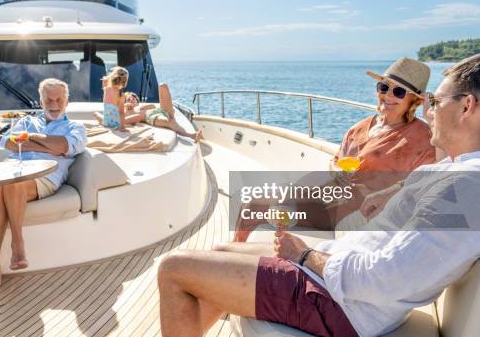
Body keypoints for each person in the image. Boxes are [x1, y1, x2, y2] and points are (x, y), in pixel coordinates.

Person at [157, 54, 480, 337]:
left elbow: (385, 279)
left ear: (467, 106)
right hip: (340, 270)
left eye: (435, 103)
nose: (429, 111)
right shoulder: (455, 172)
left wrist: (304, 256)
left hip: (345, 305)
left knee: (173, 268)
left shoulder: (465, 186)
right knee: (222, 248)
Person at [234, 57, 436, 240]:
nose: (387, 95)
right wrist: (336, 168)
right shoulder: (361, 126)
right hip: (328, 198)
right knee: (254, 203)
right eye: (383, 87)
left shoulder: (423, 138)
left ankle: (233, 262)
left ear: (414, 101)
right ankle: (235, 257)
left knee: (255, 209)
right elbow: (336, 161)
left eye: (398, 92)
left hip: (353, 214)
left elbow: (422, 184)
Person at [0, 78, 86, 295]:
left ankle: (8, 249)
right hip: (14, 174)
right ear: (41, 100)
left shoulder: (75, 127)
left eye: (59, 100)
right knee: (1, 184)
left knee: (10, 181)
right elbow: (8, 142)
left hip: (44, 177)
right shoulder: (25, 121)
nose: (54, 104)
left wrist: (32, 139)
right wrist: (49, 144)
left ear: (67, 102)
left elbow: (63, 146)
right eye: (49, 100)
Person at [123, 84, 202, 142]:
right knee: (170, 121)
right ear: (125, 102)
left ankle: (172, 119)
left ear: (137, 101)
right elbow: (126, 119)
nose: (131, 99)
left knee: (162, 86)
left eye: (133, 98)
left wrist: (140, 107)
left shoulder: (141, 107)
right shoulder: (129, 111)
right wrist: (126, 107)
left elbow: (153, 106)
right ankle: (192, 135)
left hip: (160, 111)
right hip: (151, 117)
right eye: (128, 99)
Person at [93, 66, 128, 132]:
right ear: (124, 83)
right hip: (116, 124)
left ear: (113, 78)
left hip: (106, 123)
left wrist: (108, 78)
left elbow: (105, 82)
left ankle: (97, 115)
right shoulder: (121, 95)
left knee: (95, 113)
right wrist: (122, 127)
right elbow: (121, 113)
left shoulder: (106, 89)